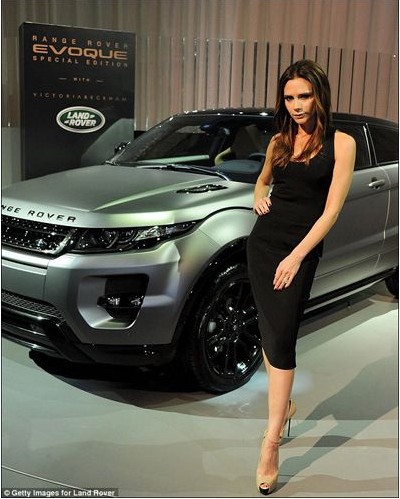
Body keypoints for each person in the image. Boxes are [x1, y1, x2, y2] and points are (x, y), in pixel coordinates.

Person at [246, 59, 356, 495]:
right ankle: (285, 407)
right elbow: (262, 181)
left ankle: (270, 444)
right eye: (289, 97)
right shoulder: (279, 140)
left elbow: (331, 211)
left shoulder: (341, 143)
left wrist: (295, 257)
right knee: (269, 330)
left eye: (304, 96)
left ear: (319, 96)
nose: (296, 105)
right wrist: (258, 196)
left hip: (300, 250)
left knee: (282, 337)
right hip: (263, 245)